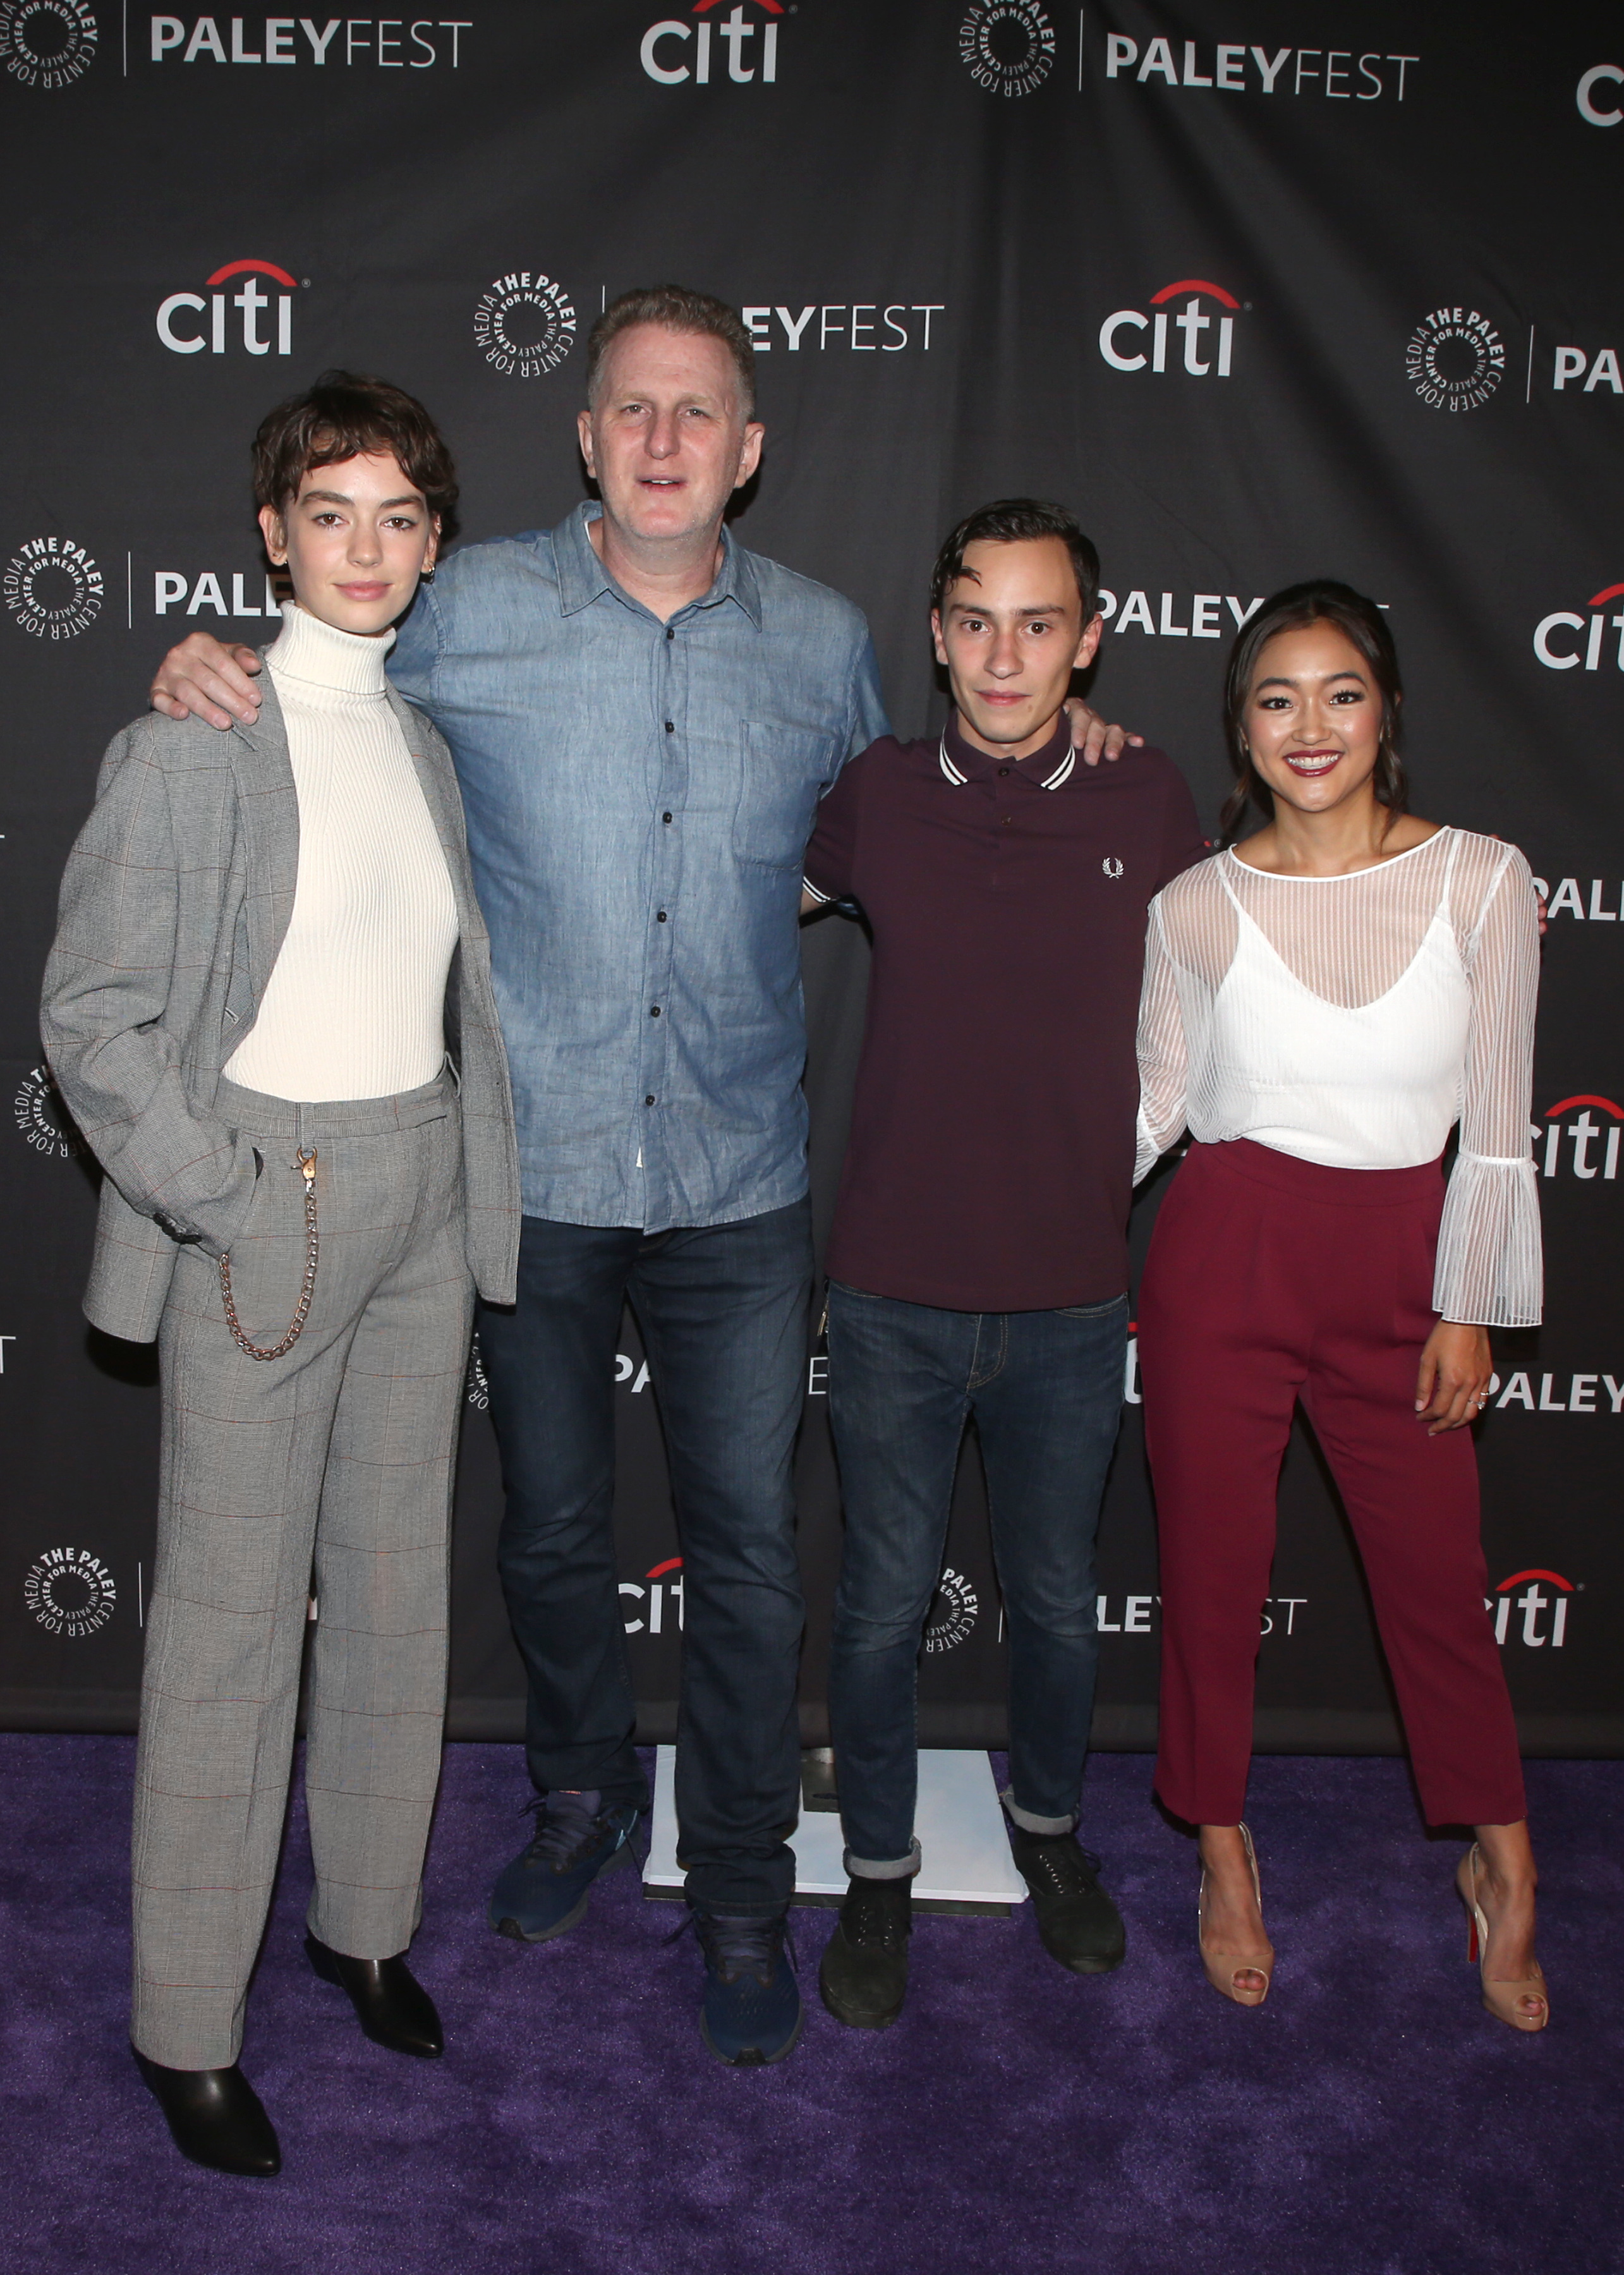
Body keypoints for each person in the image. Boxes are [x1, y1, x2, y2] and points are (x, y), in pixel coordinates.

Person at [147, 291, 1130, 2066]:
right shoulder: (466, 606)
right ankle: (583, 1793)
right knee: (544, 1528)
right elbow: (327, 696)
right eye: (632, 409)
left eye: (698, 413)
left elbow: (894, 822)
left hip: (741, 1177)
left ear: (747, 451)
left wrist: (1093, 759)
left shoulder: (822, 640)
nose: (664, 441)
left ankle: (743, 1882)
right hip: (526, 1169)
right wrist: (203, 664)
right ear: (586, 436)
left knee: (749, 1550)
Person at [41, 373, 521, 2176]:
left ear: (435, 542)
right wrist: (217, 1197)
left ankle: (363, 1931)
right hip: (272, 1198)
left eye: (400, 517)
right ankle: (186, 2025)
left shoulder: (424, 745)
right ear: (272, 533)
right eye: (332, 513)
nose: (366, 549)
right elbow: (91, 1018)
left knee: (395, 1600)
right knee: (231, 1635)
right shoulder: (194, 738)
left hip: (421, 1199)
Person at [799, 501, 1206, 2027]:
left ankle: (1049, 1833)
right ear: (935, 632)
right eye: (975, 621)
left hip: (1070, 1294)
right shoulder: (876, 794)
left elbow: (1231, 987)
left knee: (1053, 1598)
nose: (1003, 656)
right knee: (879, 1605)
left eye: (1039, 625)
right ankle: (878, 1871)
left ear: (1087, 642)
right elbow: (720, 896)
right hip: (889, 1290)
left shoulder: (1146, 793)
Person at [1133, 579, 1548, 2030]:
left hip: (1402, 1270)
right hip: (1223, 1257)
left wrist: (1470, 1300)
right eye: (1275, 699)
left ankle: (1503, 1858)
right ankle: (1220, 1846)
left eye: (1340, 693)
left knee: (1436, 1580)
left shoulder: (1483, 879)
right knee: (1210, 1576)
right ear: (1240, 729)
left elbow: (1500, 1114)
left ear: (1386, 712)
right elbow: (1150, 1110)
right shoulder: (1192, 904)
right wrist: (996, 1206)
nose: (1309, 726)